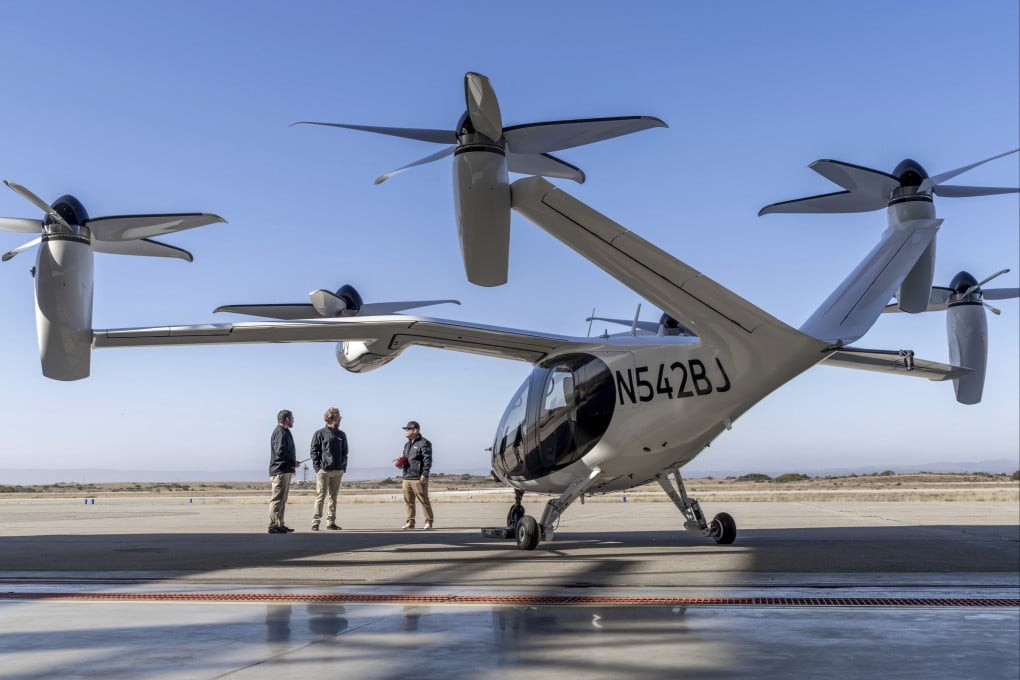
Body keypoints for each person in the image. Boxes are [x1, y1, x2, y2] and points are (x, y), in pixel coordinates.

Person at [310, 406, 349, 531]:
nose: (340, 420)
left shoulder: (342, 434)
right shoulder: (319, 433)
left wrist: (343, 467)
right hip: (324, 471)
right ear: (331, 419)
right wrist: (317, 468)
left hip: (338, 470)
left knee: (333, 496)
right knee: (321, 495)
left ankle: (331, 522)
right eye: (338, 418)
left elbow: (345, 452)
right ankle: (315, 522)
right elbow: (313, 451)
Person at [399, 420, 434, 530]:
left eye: (407, 429)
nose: (405, 431)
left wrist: (425, 474)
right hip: (407, 476)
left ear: (415, 430)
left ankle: (428, 521)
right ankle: (410, 522)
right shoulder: (407, 444)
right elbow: (406, 458)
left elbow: (427, 459)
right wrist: (401, 464)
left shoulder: (424, 443)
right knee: (408, 501)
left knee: (424, 500)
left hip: (418, 477)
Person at [268, 409, 297, 534]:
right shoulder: (280, 432)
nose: (293, 420)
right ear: (286, 419)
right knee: (277, 499)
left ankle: (280, 523)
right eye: (292, 418)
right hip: (280, 471)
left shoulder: (285, 431)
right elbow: (280, 452)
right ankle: (273, 525)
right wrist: (291, 462)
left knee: (283, 499)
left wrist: (292, 463)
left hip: (285, 470)